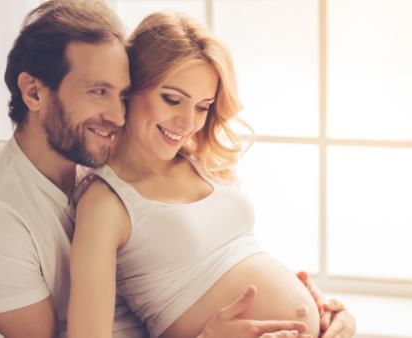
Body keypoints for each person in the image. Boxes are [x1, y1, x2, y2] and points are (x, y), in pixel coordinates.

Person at [0, 1, 355, 338]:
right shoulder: (0, 216)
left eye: (120, 93)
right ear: (33, 92)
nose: (115, 113)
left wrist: (322, 311)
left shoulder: (104, 160)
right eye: (99, 92)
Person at [68, 9, 355, 338]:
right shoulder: (106, 203)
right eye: (173, 99)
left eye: (203, 107)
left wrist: (327, 313)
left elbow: (231, 264)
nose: (188, 123)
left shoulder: (202, 163)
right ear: (131, 89)